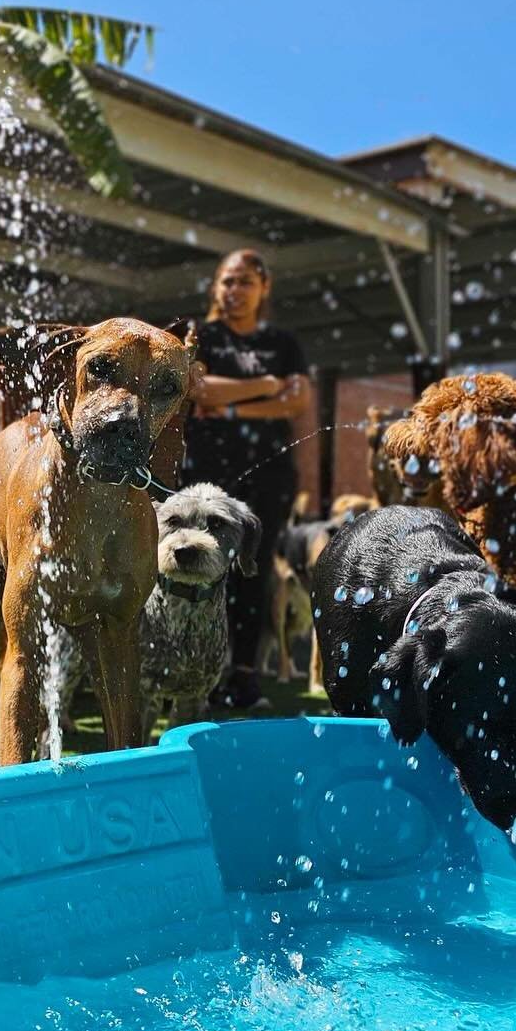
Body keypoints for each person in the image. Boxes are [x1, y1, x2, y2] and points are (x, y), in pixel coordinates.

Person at [183, 248, 311, 711]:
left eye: (243, 282)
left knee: (251, 571)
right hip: (208, 474)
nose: (233, 291)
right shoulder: (204, 336)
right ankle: (200, 668)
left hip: (270, 473)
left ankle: (244, 673)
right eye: (225, 282)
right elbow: (197, 388)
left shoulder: (283, 342)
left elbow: (298, 401)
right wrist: (266, 385)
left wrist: (234, 407)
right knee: (202, 566)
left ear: (264, 287)